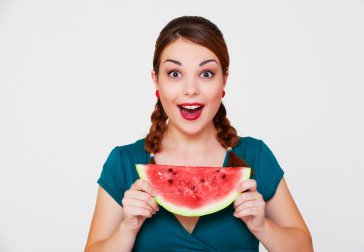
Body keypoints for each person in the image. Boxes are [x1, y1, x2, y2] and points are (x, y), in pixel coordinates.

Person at [85, 16, 313, 252]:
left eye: (206, 74)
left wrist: (263, 226)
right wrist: (127, 228)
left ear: (225, 79)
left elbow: (305, 248)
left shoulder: (255, 156)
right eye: (175, 73)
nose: (191, 89)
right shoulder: (123, 162)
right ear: (156, 80)